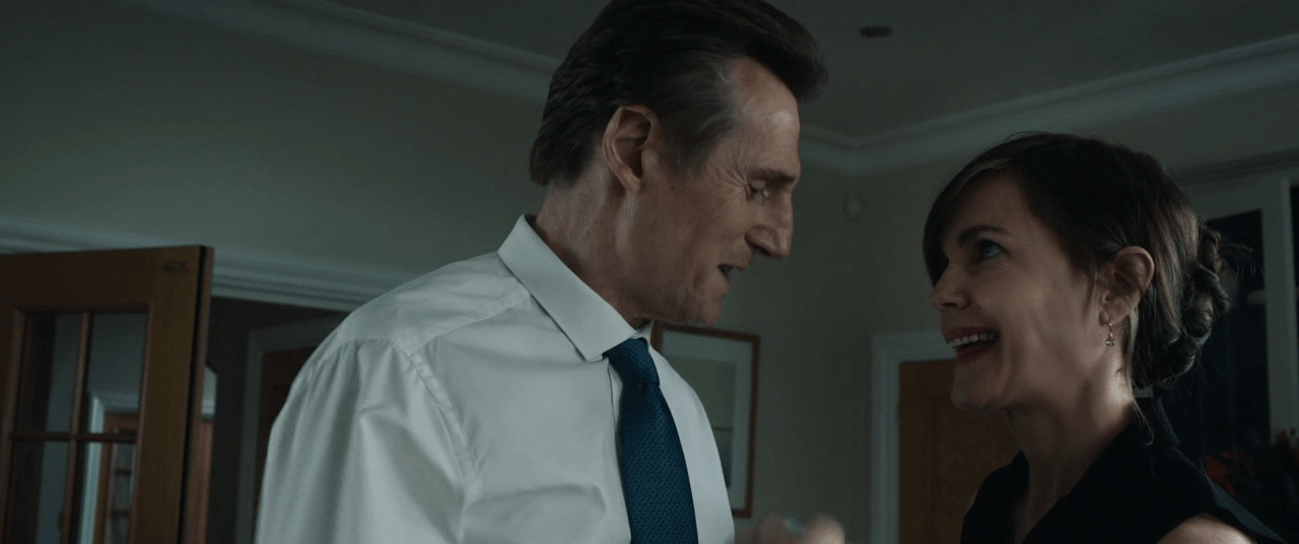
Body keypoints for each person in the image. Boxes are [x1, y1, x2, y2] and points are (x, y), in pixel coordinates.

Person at [255, 0, 845, 542]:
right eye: (759, 188)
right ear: (634, 149)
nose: (779, 240)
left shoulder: (680, 411)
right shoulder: (393, 372)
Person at [923, 133, 1287, 543]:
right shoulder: (990, 506)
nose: (941, 294)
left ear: (1118, 287)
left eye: (987, 250)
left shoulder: (1193, 539)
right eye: (945, 264)